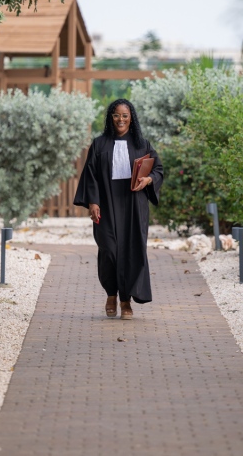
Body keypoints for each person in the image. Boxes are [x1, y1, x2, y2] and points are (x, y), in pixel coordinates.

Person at [73, 99, 164, 320]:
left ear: (131, 118)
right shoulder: (99, 144)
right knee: (109, 250)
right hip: (106, 203)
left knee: (131, 252)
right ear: (110, 117)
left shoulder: (142, 144)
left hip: (134, 205)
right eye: (116, 115)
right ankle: (111, 294)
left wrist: (148, 180)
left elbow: (158, 169)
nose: (120, 119)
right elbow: (91, 175)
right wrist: (93, 202)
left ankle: (125, 301)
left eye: (125, 115)